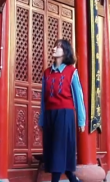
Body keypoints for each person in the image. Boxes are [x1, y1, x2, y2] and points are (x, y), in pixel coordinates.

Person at [38, 38, 86, 182]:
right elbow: (43, 99)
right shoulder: (47, 73)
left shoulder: (72, 72)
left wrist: (81, 120)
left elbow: (78, 97)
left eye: (58, 47)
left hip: (65, 115)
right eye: (54, 46)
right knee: (52, 149)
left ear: (65, 52)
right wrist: (42, 120)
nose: (54, 48)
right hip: (49, 115)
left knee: (59, 149)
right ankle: (72, 178)